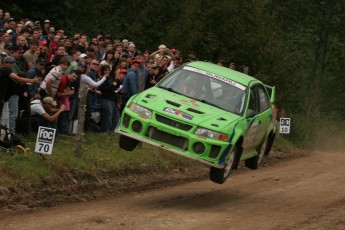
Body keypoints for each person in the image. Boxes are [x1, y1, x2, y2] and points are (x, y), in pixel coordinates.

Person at [0, 56, 40, 123]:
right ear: (5, 63)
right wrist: (32, 80)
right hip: (2, 97)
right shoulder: (5, 70)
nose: (12, 64)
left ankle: (6, 132)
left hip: (4, 97)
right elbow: (19, 79)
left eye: (12, 63)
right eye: (10, 63)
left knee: (5, 117)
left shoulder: (5, 71)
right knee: (5, 117)